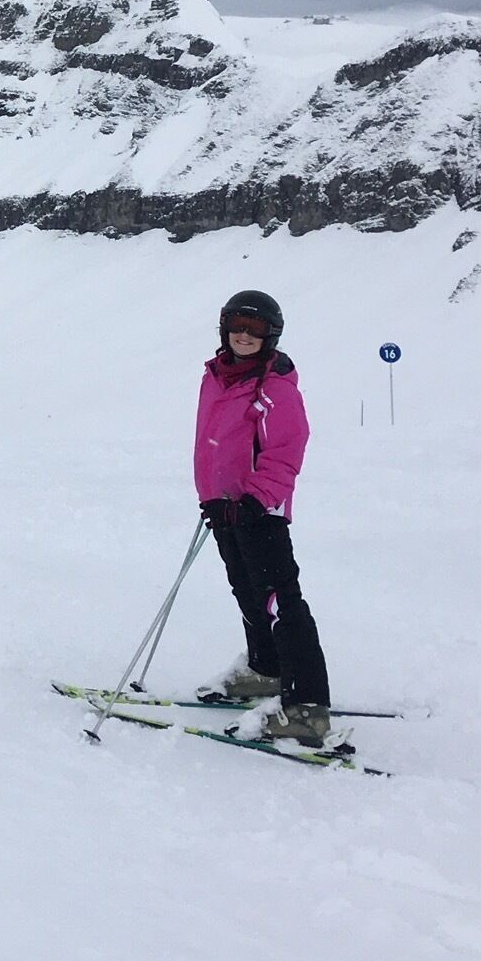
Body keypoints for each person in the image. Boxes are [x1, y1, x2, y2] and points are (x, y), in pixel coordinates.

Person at [193, 289, 330, 745]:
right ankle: (266, 670)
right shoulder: (217, 377)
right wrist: (215, 497)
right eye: (237, 325)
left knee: (279, 603)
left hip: (260, 511)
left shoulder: (273, 386)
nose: (244, 335)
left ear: (271, 334)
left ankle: (307, 709)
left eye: (254, 328)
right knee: (247, 591)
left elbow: (286, 450)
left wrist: (255, 501)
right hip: (225, 507)